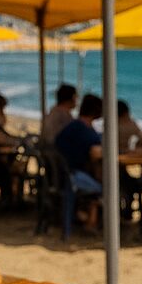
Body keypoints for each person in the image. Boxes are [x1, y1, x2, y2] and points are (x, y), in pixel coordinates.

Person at [55, 92, 104, 231]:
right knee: (106, 188)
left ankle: (86, 216)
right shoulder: (85, 131)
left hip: (62, 174)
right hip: (72, 176)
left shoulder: (74, 126)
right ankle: (91, 221)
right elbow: (96, 154)